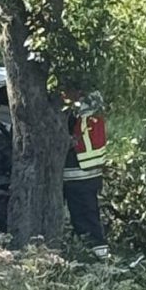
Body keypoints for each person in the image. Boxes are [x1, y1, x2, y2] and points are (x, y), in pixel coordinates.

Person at [63, 92, 109, 260]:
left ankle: (96, 257)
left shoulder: (73, 103)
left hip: (78, 172)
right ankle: (96, 255)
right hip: (89, 169)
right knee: (88, 216)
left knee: (84, 218)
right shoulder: (93, 99)